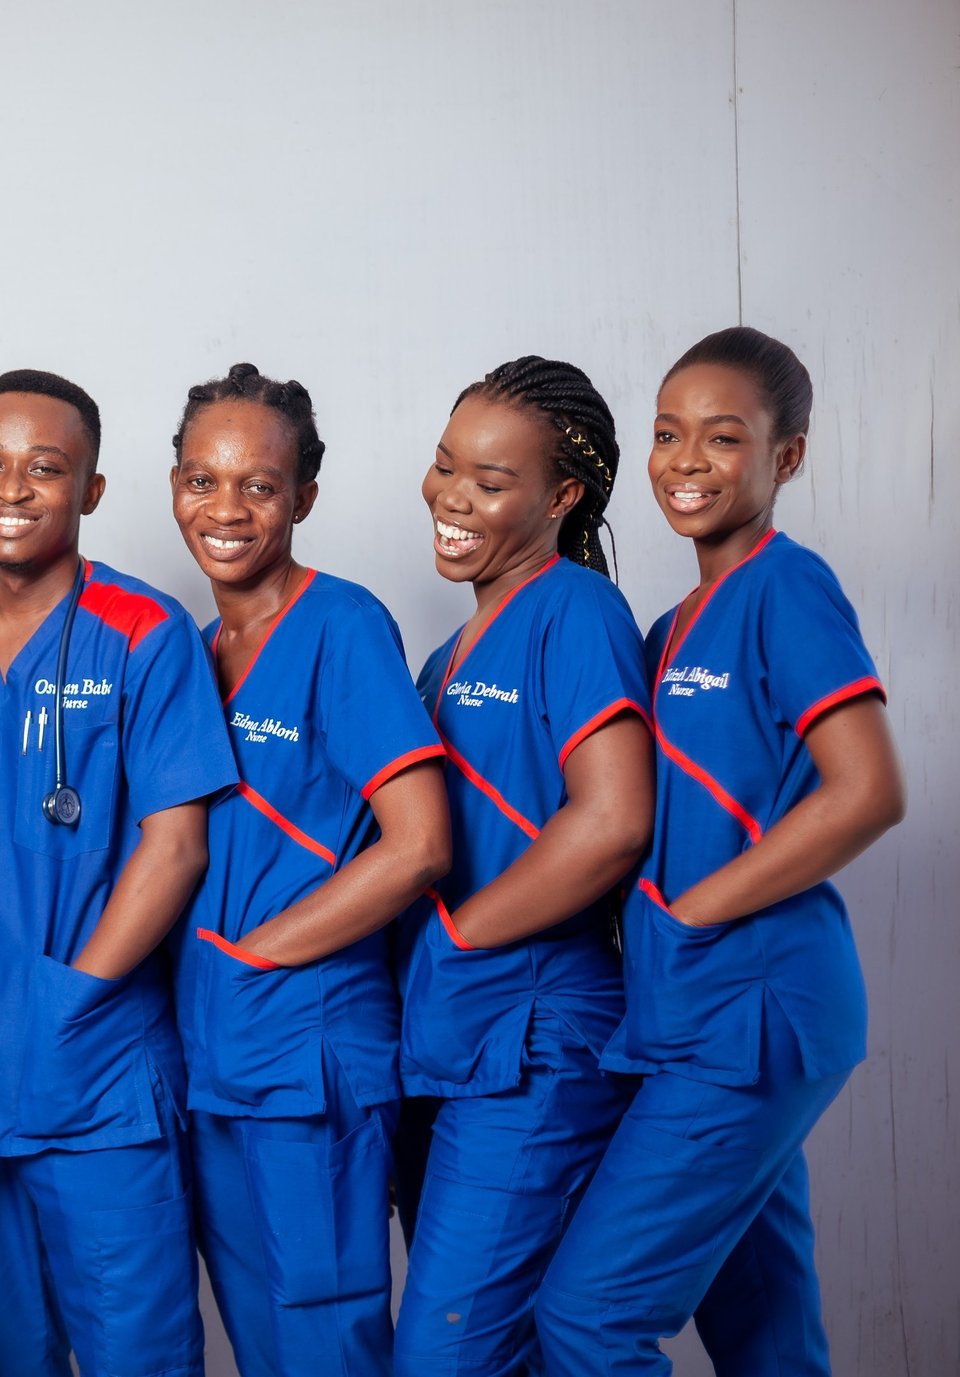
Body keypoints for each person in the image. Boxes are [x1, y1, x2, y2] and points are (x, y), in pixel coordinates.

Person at [536, 328, 905, 1376]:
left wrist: (693, 909)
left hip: (756, 1011)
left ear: (785, 458)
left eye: (723, 436)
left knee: (588, 1323)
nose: (686, 459)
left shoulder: (787, 589)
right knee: (764, 1330)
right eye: (666, 434)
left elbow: (868, 789)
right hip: (692, 1014)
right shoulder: (666, 630)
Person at [0, 368, 237, 1377]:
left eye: (47, 468)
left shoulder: (145, 630)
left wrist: (73, 999)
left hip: (99, 1070)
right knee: (13, 1353)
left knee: (137, 1353)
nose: (13, 489)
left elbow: (176, 844)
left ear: (91, 490)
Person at [167, 363, 451, 1375]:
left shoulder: (342, 626)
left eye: (259, 485)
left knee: (327, 1337)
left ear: (304, 498)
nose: (227, 509)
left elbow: (420, 843)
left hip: (310, 1047)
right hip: (213, 1057)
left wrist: (258, 955)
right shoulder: (190, 649)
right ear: (172, 488)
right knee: (259, 1342)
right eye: (203, 479)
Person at [391, 356, 655, 1376]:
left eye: (491, 482)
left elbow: (614, 822)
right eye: (446, 464)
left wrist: (461, 934)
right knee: (512, 1346)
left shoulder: (576, 614)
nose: (453, 496)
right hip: (459, 1036)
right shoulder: (443, 657)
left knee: (446, 1357)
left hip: (537, 1040)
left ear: (563, 496)